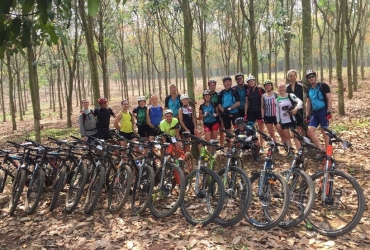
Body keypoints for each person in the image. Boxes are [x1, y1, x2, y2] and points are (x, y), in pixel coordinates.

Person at [305, 69, 333, 161]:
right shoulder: (309, 89)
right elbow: (308, 103)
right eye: (309, 77)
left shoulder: (323, 86)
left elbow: (329, 98)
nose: (311, 78)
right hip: (315, 113)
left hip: (323, 111)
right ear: (307, 79)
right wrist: (307, 115)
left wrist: (328, 111)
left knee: (325, 133)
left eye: (312, 76)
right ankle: (321, 151)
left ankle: (329, 155)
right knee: (310, 131)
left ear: (315, 77)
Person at [275, 83, 303, 157]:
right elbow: (277, 112)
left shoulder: (290, 95)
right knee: (287, 136)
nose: (281, 89)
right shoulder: (277, 99)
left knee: (295, 136)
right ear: (278, 89)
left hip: (292, 119)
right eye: (279, 88)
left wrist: (295, 109)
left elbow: (300, 102)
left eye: (282, 87)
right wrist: (278, 122)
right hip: (283, 121)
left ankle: (299, 151)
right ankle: (290, 151)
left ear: (285, 88)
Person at [245, 75, 266, 153]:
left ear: (255, 81)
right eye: (249, 82)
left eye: (252, 81)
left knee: (261, 130)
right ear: (248, 83)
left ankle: (262, 147)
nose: (251, 82)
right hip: (251, 112)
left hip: (259, 112)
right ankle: (253, 145)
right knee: (249, 130)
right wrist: (245, 114)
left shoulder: (260, 89)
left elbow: (266, 97)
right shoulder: (248, 91)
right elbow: (246, 103)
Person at [218, 76, 240, 148]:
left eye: (229, 81)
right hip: (225, 114)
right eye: (225, 82)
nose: (227, 83)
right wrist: (224, 111)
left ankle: (238, 147)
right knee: (227, 131)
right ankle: (229, 148)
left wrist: (229, 109)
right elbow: (219, 104)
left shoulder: (235, 91)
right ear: (223, 83)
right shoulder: (221, 93)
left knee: (237, 130)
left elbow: (238, 103)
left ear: (231, 82)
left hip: (235, 112)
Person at [261, 80, 284, 146]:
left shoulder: (276, 94)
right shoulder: (263, 96)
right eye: (266, 86)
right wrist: (262, 117)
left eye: (269, 85)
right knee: (271, 133)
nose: (267, 87)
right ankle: (275, 146)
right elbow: (262, 107)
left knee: (281, 132)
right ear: (264, 87)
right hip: (267, 116)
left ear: (271, 86)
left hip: (276, 117)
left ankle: (286, 146)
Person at [286, 69, 305, 134]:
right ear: (288, 77)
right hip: (292, 110)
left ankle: (304, 142)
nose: (292, 77)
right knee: (295, 128)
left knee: (302, 127)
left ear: (296, 76)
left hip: (302, 109)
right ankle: (299, 143)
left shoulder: (301, 85)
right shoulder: (286, 88)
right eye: (290, 76)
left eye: (294, 75)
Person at [208, 79, 224, 147]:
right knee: (212, 131)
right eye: (211, 85)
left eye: (213, 85)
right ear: (209, 86)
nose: (212, 87)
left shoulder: (218, 94)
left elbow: (221, 104)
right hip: (210, 116)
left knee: (221, 131)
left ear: (215, 86)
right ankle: (212, 146)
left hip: (219, 115)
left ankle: (221, 145)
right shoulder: (206, 95)